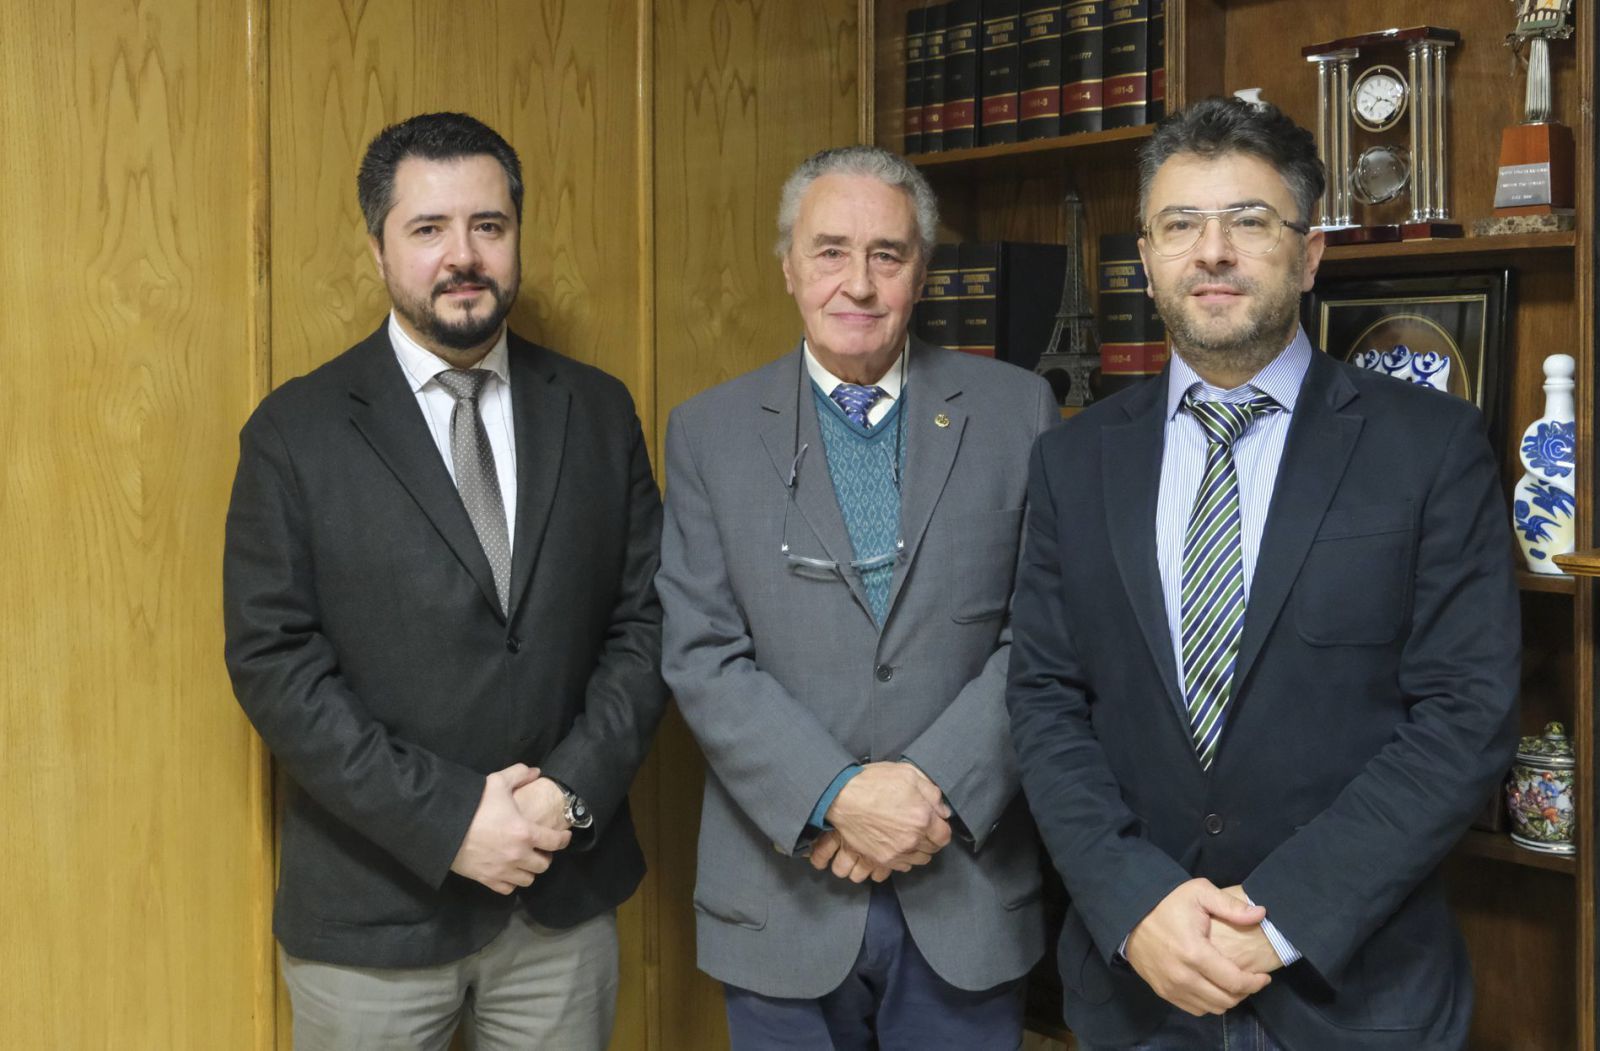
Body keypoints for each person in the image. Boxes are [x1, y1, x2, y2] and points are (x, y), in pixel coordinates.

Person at [1007, 96, 1520, 1050]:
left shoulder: (1430, 447)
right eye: (1180, 224)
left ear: (1310, 252)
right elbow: (1044, 701)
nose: (1213, 251)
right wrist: (1135, 899)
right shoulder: (1072, 463)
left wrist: (1277, 919)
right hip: (1137, 990)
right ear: (1148, 256)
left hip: (1357, 993)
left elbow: (1467, 714)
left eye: (1249, 220)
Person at [223, 111, 667, 1050]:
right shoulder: (293, 433)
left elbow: (649, 623)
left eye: (488, 226)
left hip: (562, 899)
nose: (462, 256)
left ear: (517, 238)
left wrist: (567, 793)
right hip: (374, 914)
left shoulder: (596, 409)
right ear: (379, 248)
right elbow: (276, 666)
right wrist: (451, 819)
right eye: (428, 229)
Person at [656, 144, 1058, 1049]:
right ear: (790, 267)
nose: (859, 283)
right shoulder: (709, 431)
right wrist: (836, 794)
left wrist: (924, 790)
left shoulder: (1019, 410)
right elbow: (701, 652)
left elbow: (1043, 635)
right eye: (831, 250)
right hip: (783, 895)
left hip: (963, 880)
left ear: (922, 270)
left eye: (889, 253)